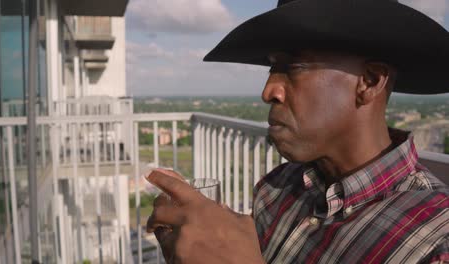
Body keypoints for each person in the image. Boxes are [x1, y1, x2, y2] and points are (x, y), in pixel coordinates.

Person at [146, 0, 449, 263]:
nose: (269, 91)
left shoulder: (435, 242)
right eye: (272, 68)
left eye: (294, 67)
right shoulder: (276, 189)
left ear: (368, 81)